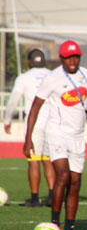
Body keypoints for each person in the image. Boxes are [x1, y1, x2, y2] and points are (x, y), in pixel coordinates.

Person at [24, 40, 87, 230]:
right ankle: (55, 225)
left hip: (78, 136)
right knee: (62, 175)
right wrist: (28, 139)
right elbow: (35, 107)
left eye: (76, 56)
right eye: (69, 57)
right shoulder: (52, 78)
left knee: (76, 182)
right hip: (57, 132)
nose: (73, 60)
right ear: (61, 58)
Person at [4, 49, 55, 207]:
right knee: (48, 160)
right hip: (52, 122)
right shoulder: (53, 75)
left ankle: (34, 198)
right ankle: (53, 197)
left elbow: (14, 100)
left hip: (34, 123)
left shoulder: (24, 77)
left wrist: (7, 119)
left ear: (28, 61)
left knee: (34, 160)